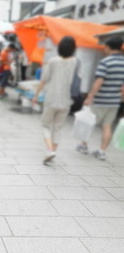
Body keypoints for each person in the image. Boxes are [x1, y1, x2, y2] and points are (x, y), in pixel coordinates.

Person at [32, 36, 79, 164]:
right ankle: (53, 151)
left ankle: (50, 150)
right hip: (66, 100)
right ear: (73, 48)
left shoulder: (53, 61)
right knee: (58, 128)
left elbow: (44, 79)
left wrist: (36, 95)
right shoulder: (76, 62)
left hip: (52, 99)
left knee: (45, 124)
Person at [76, 36, 124, 160]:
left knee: (90, 123)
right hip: (114, 101)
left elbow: (99, 81)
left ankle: (83, 145)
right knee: (107, 125)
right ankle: (102, 152)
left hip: (100, 100)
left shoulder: (105, 62)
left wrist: (89, 97)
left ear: (108, 47)